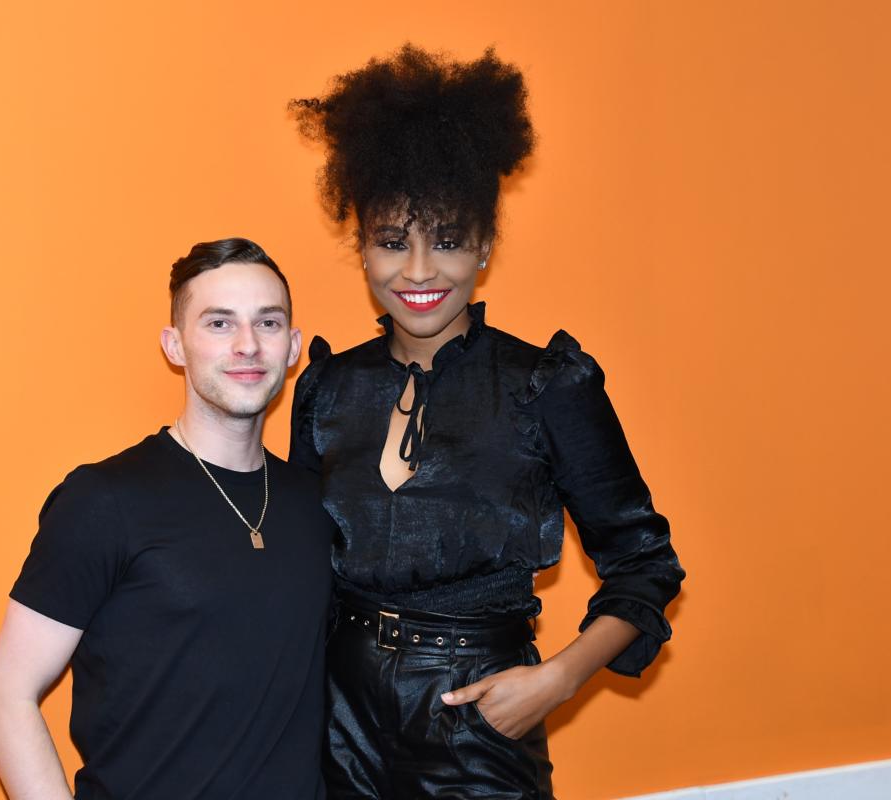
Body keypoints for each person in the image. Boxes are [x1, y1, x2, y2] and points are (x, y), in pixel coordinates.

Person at [289, 46, 686, 799]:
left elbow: (646, 566)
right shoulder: (328, 389)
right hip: (337, 719)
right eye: (391, 241)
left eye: (446, 240)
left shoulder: (546, 385)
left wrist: (556, 680)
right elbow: (297, 566)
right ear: (362, 248)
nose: (417, 271)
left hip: (476, 715)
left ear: (484, 247)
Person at [0, 237, 333, 800]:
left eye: (267, 323)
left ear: (291, 347)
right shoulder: (104, 501)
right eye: (219, 323)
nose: (247, 345)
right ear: (175, 345)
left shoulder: (316, 505)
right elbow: (5, 700)